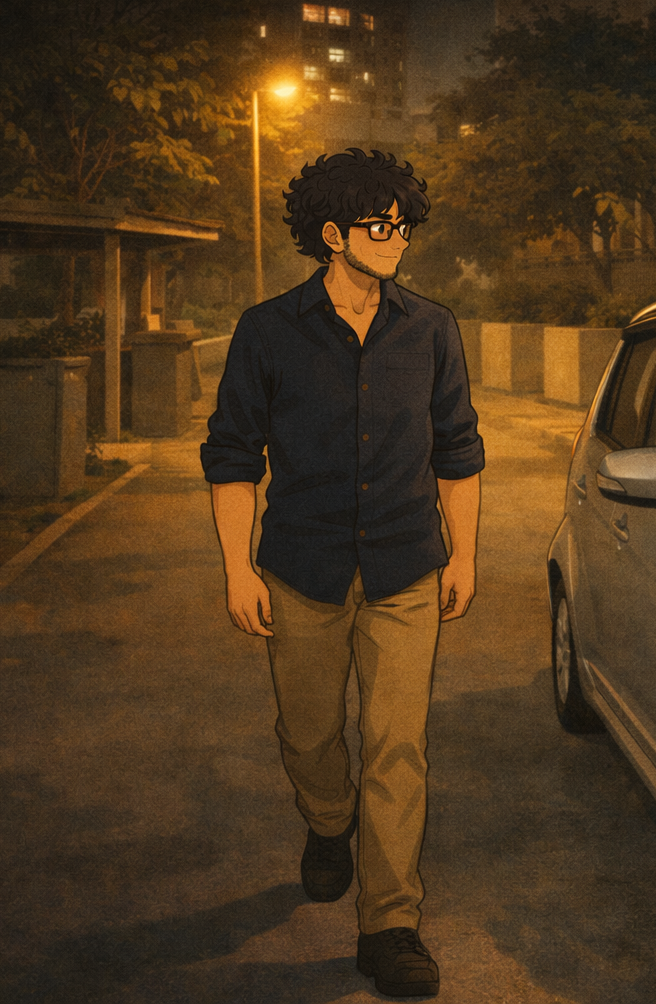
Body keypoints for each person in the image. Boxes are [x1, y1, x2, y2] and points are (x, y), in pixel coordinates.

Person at [201, 148, 483, 998]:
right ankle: (328, 823)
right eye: (377, 225)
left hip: (404, 569)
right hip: (301, 568)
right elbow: (230, 455)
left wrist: (463, 552)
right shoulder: (268, 330)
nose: (395, 238)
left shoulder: (431, 329)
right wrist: (236, 569)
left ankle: (390, 923)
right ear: (332, 235)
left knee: (398, 748)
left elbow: (459, 451)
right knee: (311, 733)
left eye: (402, 224)